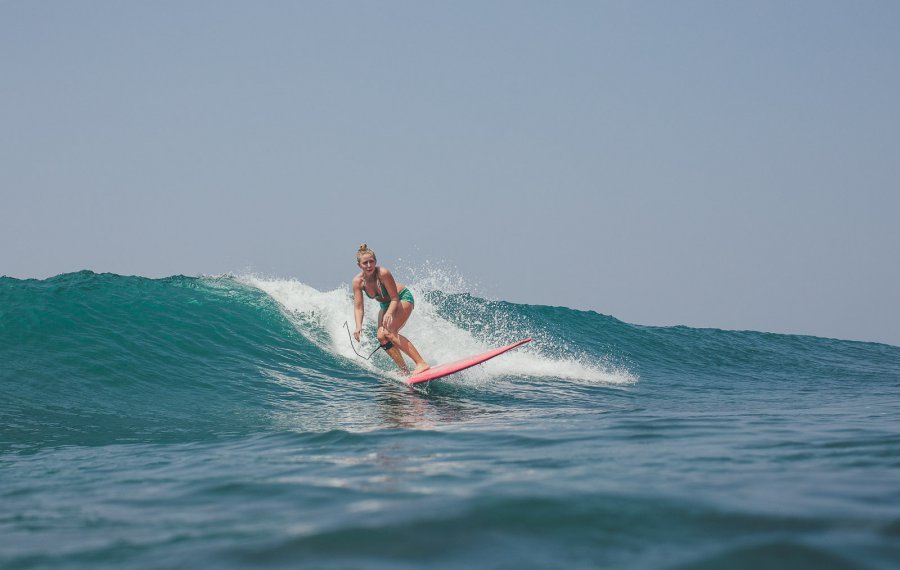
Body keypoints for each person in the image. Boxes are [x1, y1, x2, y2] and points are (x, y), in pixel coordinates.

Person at [352, 244, 430, 375]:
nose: (369, 265)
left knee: (389, 332)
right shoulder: (358, 282)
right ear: (359, 265)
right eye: (365, 263)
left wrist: (389, 312)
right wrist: (358, 326)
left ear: (375, 261)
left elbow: (394, 298)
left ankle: (421, 363)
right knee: (381, 336)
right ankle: (404, 370)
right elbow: (359, 307)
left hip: (401, 298)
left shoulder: (383, 273)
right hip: (385, 305)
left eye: (371, 261)